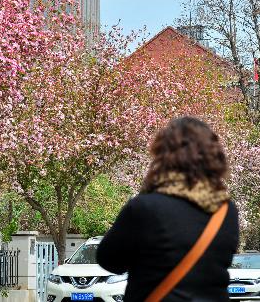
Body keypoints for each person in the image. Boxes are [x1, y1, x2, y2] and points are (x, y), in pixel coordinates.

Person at [97, 116, 239, 302]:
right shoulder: (226, 211)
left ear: (163, 155)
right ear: (214, 158)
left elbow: (109, 260)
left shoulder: (145, 207)